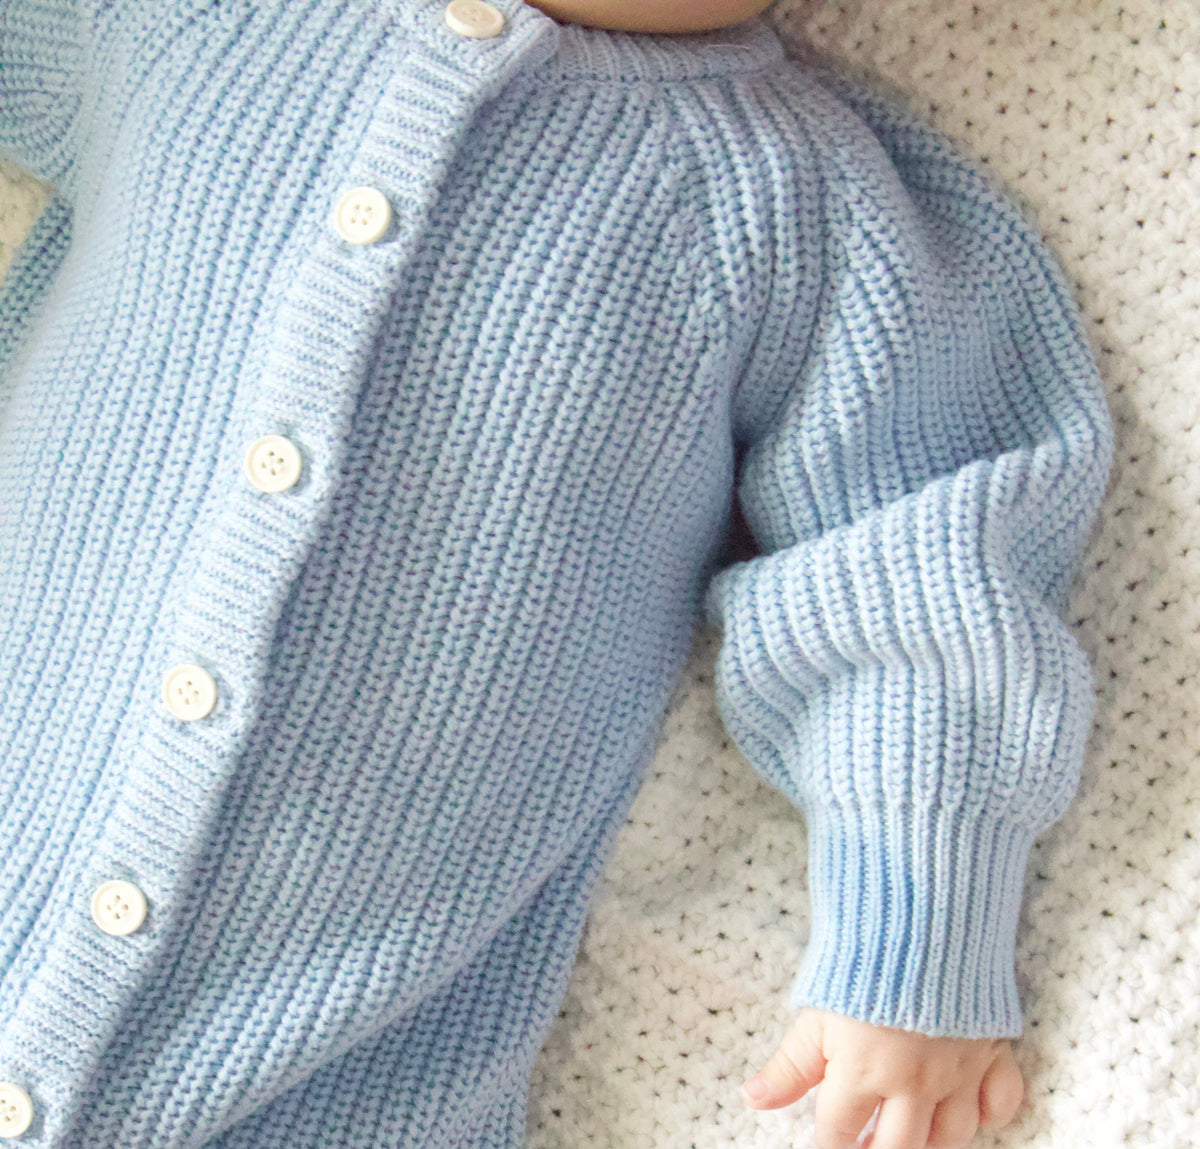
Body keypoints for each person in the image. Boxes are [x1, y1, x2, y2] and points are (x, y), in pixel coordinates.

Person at [0, 0, 1112, 1146]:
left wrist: (910, 934)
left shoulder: (800, 208)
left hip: (322, 1081)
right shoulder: (188, 23)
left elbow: (918, 579)